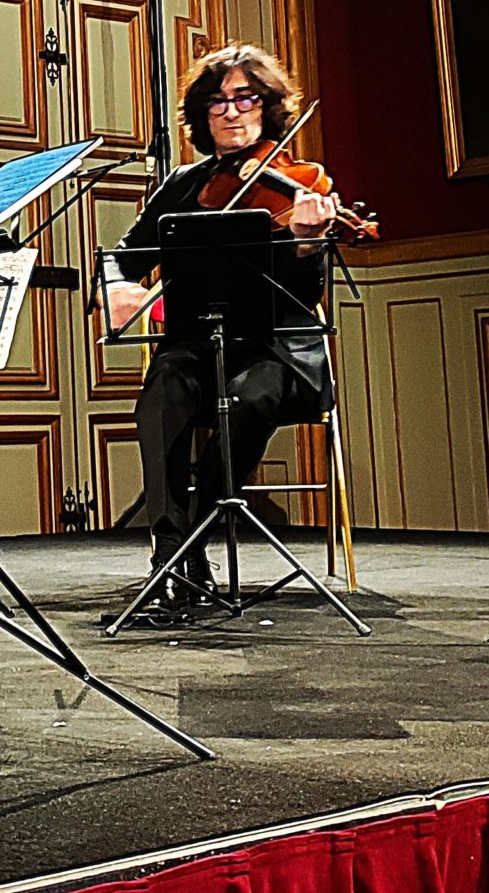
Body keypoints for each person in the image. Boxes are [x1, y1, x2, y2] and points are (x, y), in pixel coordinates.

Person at [102, 46, 345, 613]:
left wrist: (307, 242)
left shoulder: (300, 183)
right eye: (217, 102)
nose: (232, 112)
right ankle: (168, 552)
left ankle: (196, 535)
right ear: (201, 115)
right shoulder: (183, 187)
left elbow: (305, 294)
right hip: (196, 344)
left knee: (251, 398)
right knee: (162, 395)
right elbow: (122, 258)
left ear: (268, 107)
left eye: (245, 99)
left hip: (276, 348)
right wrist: (115, 288)